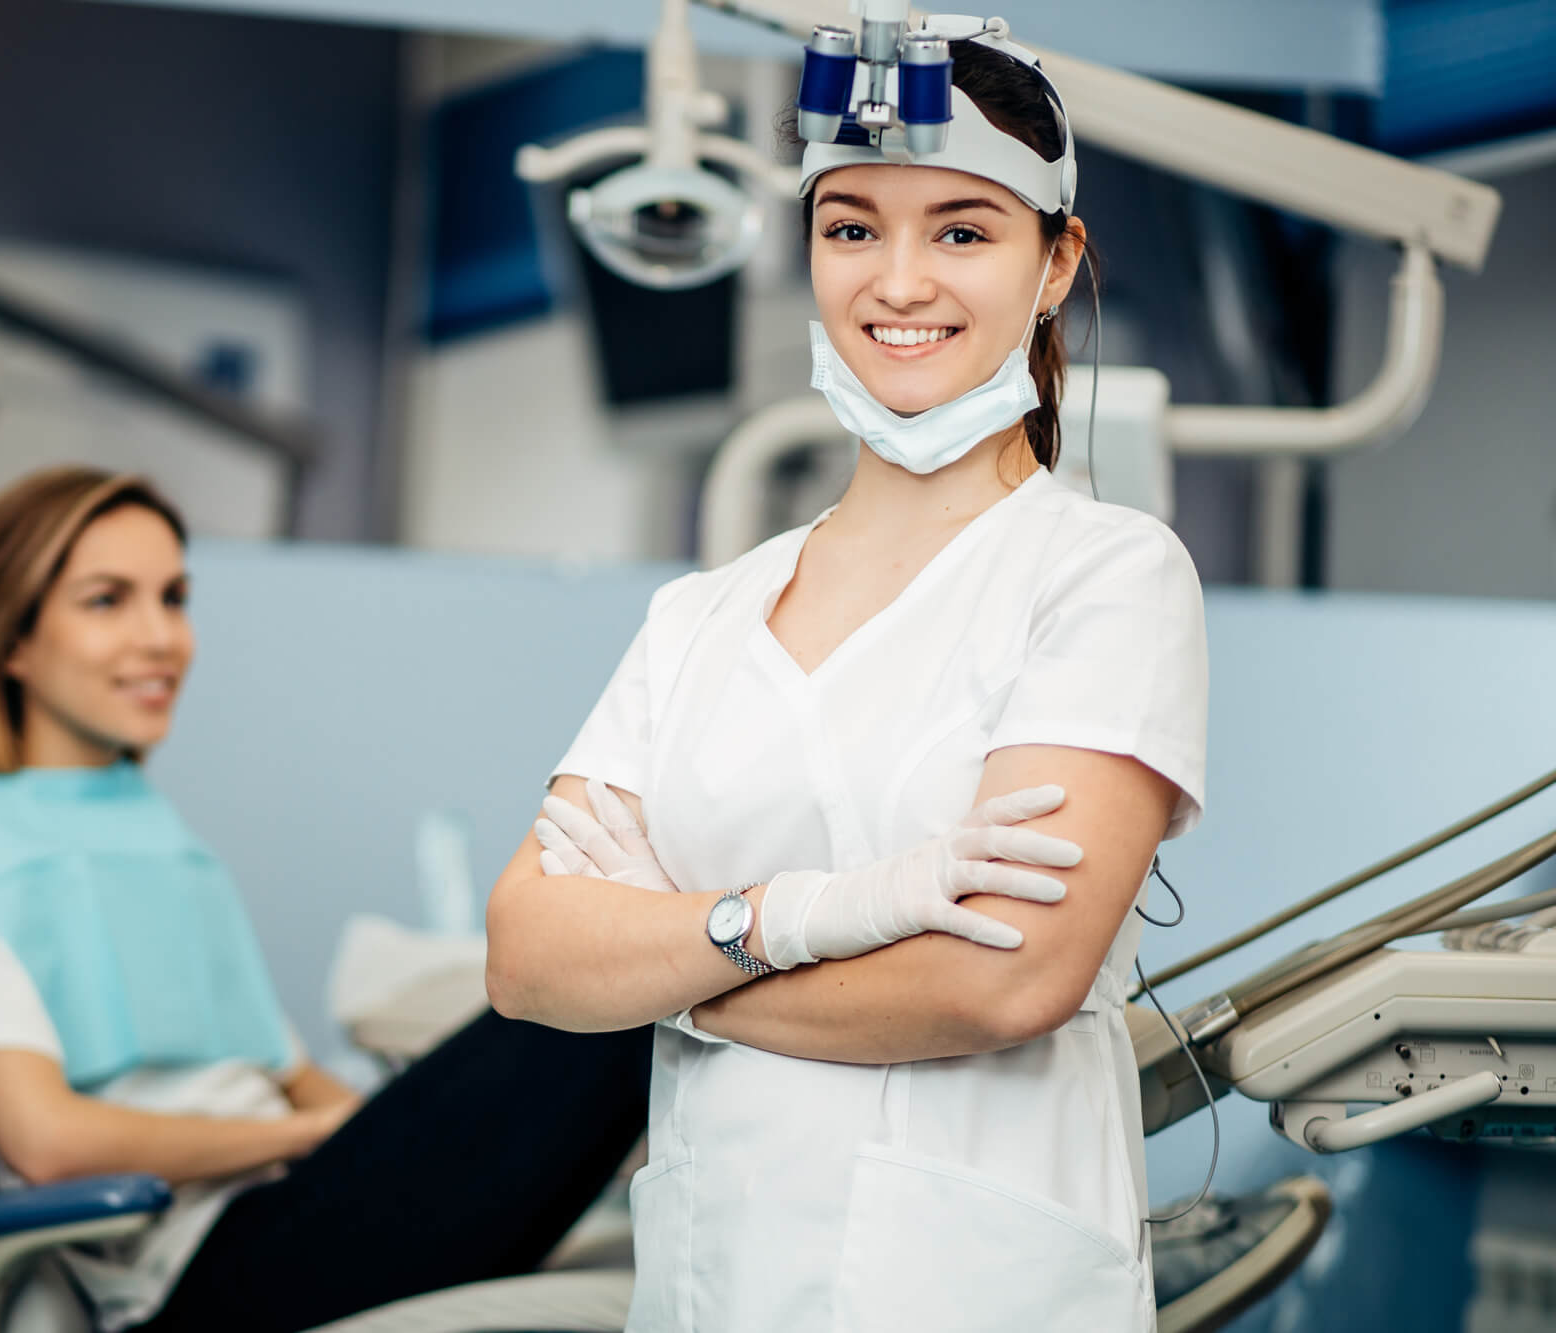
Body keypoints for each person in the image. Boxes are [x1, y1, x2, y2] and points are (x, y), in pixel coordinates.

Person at [486, 24, 1206, 1333]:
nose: (900, 281)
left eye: (965, 232)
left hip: (968, 1288)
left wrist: (669, 962)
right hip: (718, 1276)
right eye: (852, 227)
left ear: (1057, 263)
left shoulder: (1103, 576)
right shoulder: (700, 614)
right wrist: (810, 916)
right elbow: (529, 956)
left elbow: (1004, 981)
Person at [0, 467, 650, 1333]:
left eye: (173, 598)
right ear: (13, 639)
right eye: (107, 601)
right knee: (617, 991)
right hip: (205, 1270)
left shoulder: (158, 837)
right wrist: (302, 1141)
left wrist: (385, 1130)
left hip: (290, 1205)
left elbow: (282, 1075)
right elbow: (46, 1138)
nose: (160, 636)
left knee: (620, 996)